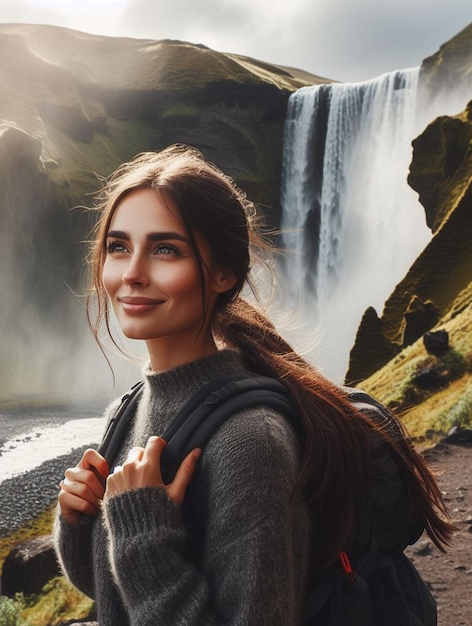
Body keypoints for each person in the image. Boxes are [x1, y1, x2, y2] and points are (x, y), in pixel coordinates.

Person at [54, 144, 454, 625]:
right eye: (118, 247)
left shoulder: (250, 443)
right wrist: (80, 522)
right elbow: (114, 592)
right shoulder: (127, 408)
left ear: (223, 273)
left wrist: (144, 536)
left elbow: (153, 576)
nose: (132, 273)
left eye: (165, 249)